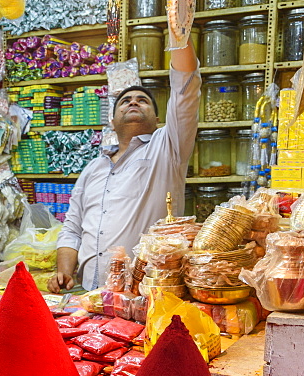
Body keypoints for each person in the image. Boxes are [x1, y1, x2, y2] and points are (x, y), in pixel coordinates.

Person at [48, 42, 200, 292]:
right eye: (126, 101)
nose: (133, 102)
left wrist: (179, 33)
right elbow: (72, 227)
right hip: (89, 292)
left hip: (145, 292)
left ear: (158, 119)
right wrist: (64, 271)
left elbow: (186, 90)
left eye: (143, 100)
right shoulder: (93, 168)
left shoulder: (167, 148)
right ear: (112, 120)